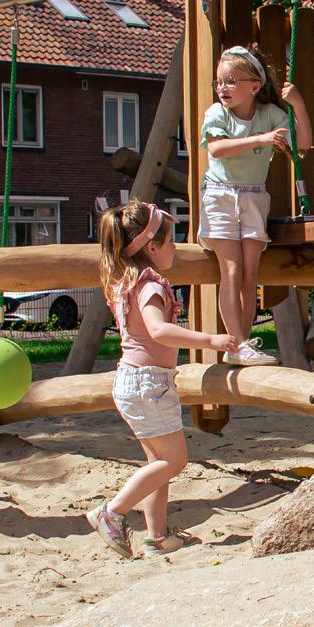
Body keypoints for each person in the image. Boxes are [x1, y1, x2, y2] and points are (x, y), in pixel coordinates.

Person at [86, 199, 238, 559]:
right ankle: (112, 512)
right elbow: (158, 330)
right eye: (170, 241)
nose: (175, 248)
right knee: (174, 461)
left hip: (136, 382)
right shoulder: (150, 285)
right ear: (151, 247)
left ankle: (156, 537)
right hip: (148, 384)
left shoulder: (129, 281)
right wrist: (209, 340)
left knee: (157, 462)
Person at [199, 44, 313, 365]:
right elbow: (217, 149)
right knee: (232, 271)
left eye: (231, 81)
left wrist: (298, 104)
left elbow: (303, 143)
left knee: (250, 275)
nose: (223, 87)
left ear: (254, 86)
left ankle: (243, 344)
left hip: (253, 197)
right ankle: (235, 345)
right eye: (220, 81)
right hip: (220, 195)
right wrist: (260, 139)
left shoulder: (269, 115)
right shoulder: (217, 113)